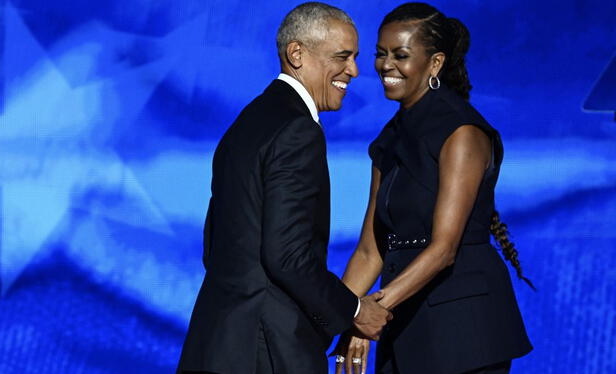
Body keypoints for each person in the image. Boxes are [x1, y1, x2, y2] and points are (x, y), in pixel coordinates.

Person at [176, 3, 393, 374]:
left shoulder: (247, 121)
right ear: (297, 54)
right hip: (266, 350)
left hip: (217, 344)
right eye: (342, 57)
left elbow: (215, 243)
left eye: (355, 57)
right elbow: (287, 256)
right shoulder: (298, 130)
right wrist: (355, 311)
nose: (354, 70)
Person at [332, 3, 533, 374]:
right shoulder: (388, 140)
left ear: (435, 63)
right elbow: (369, 250)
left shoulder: (462, 132)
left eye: (401, 55)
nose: (385, 65)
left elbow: (444, 249)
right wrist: (340, 317)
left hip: (463, 332)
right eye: (380, 54)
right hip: (402, 319)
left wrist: (369, 311)